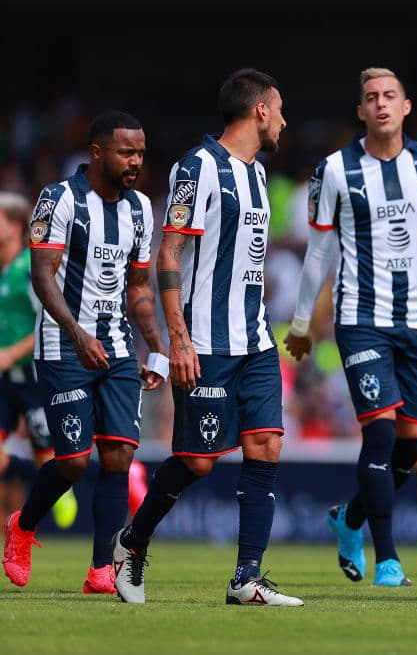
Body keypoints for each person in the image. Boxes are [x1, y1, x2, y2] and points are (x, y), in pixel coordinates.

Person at [284, 67, 417, 588]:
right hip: (360, 319)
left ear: (406, 106)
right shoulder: (335, 169)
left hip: (415, 322)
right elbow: (320, 250)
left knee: (413, 444)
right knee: (379, 431)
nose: (381, 103)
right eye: (371, 97)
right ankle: (389, 559)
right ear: (361, 111)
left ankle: (349, 518)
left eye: (389, 96)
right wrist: (303, 321)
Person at [112, 69, 303, 607]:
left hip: (256, 339)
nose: (284, 121)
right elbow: (169, 253)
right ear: (260, 110)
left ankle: (246, 578)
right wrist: (178, 339)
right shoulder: (197, 168)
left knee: (266, 444)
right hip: (205, 340)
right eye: (279, 109)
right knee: (199, 460)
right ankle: (132, 542)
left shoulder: (259, 174)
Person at [2, 112, 167, 594]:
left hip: (117, 348)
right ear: (97, 153)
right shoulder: (58, 198)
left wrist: (157, 346)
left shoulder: (141, 208)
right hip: (63, 346)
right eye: (125, 152)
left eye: (140, 153)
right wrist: (77, 334)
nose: (135, 161)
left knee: (118, 454)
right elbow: (43, 274)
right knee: (73, 461)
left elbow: (139, 285)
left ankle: (101, 570)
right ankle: (22, 526)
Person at [0, 192, 79, 531]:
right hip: (5, 382)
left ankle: (72, 486)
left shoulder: (28, 270)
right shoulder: (4, 271)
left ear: (16, 225)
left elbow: (48, 322)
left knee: (47, 458)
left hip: (34, 379)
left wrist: (10, 353)